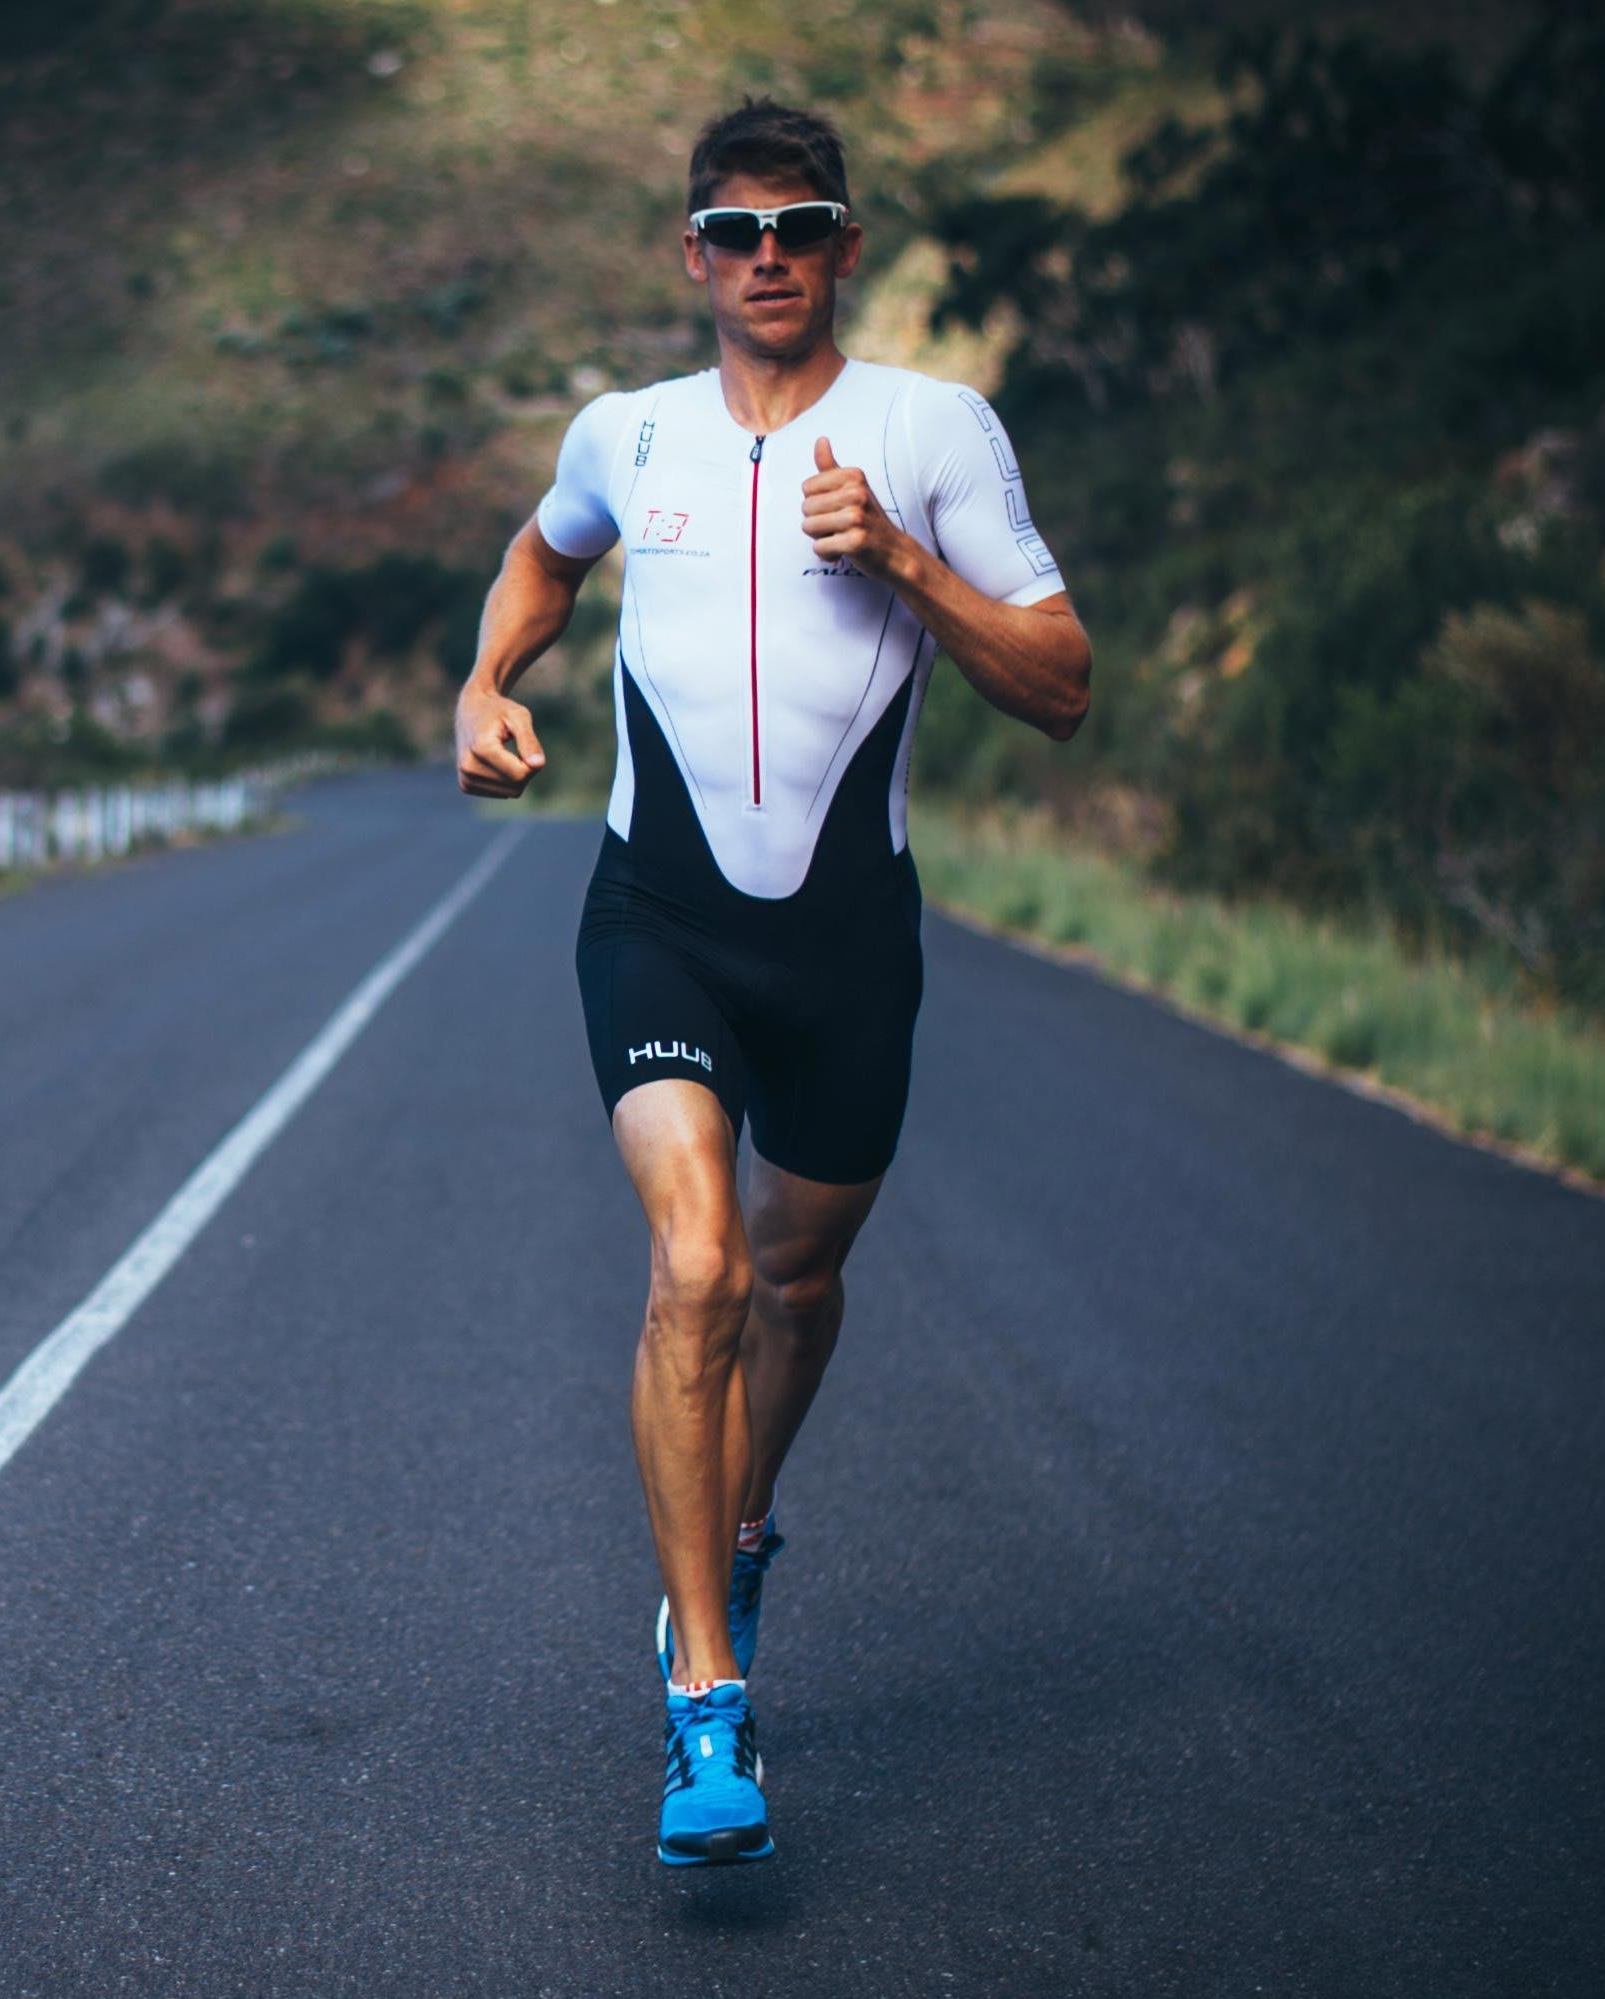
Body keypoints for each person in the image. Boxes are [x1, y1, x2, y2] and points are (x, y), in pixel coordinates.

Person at [453, 98, 1093, 1867]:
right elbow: (541, 555)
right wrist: (486, 682)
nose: (767, 258)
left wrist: (898, 557)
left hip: (846, 942)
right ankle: (705, 1702)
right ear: (692, 257)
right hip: (655, 916)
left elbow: (1058, 683)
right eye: (734, 231)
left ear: (843, 246)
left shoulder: (931, 431)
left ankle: (733, 1540)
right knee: (699, 1265)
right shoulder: (626, 433)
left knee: (798, 1281)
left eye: (798, 226)